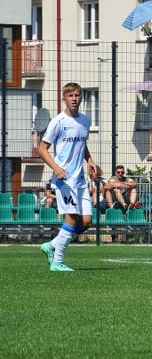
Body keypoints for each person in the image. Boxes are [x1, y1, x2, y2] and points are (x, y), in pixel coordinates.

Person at [37, 82, 99, 272]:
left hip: (80, 180)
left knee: (87, 221)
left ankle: (52, 244)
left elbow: (81, 145)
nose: (74, 99)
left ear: (81, 98)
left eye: (77, 95)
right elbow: (42, 148)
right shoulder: (58, 122)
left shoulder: (85, 121)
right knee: (71, 219)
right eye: (70, 96)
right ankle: (57, 262)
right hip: (64, 180)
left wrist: (89, 160)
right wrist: (55, 167)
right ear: (64, 99)